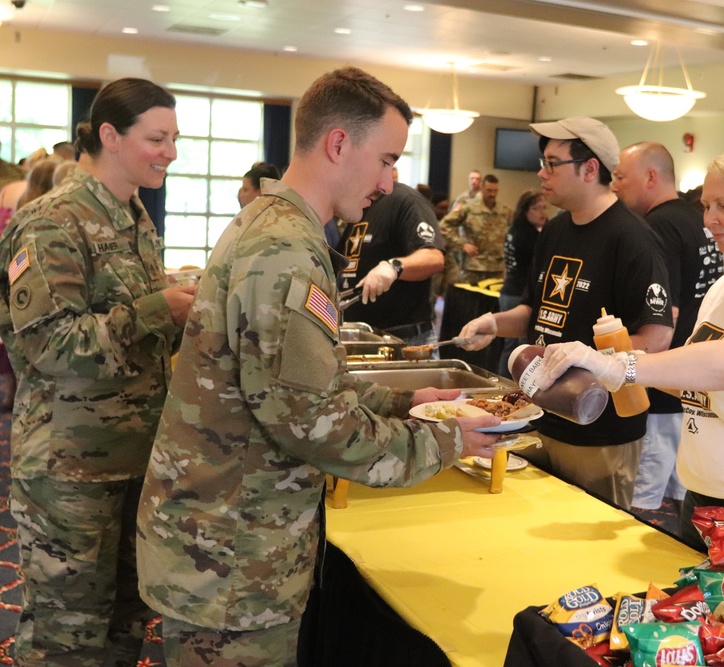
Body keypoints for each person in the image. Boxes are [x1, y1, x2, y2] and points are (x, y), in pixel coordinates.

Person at [135, 67, 499, 666]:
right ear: (337, 144)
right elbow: (313, 424)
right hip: (232, 559)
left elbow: (308, 383)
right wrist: (445, 439)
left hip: (223, 539)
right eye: (385, 160)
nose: (390, 182)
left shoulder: (276, 225)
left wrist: (408, 402)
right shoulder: (285, 251)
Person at [532, 144, 724, 548]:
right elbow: (698, 383)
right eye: (706, 205)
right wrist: (608, 367)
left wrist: (625, 366)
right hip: (707, 499)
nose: (710, 220)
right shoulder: (722, 288)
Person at [0, 77, 197, 667]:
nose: (171, 152)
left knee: (124, 625)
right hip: (69, 472)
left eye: (174, 139)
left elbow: (119, 315)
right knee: (66, 639)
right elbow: (51, 347)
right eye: (157, 138)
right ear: (110, 135)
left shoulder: (131, 212)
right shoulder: (51, 222)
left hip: (131, 459)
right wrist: (163, 306)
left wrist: (174, 298)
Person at [458, 116, 673, 509]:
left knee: (587, 544)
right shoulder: (555, 230)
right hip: (540, 414)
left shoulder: (633, 239)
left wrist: (596, 362)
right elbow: (536, 312)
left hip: (600, 429)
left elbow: (657, 338)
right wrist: (493, 323)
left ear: (590, 169)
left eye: (551, 163)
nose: (541, 173)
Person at [611, 141, 724, 515]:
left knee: (644, 504)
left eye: (621, 176)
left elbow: (665, 318)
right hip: (689, 384)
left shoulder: (657, 226)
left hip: (661, 390)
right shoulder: (696, 220)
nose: (614, 185)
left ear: (650, 177)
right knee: (678, 498)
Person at [336, 181, 445, 345]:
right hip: (363, 334)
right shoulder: (360, 205)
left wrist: (394, 267)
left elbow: (433, 257)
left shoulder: (405, 200)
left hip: (404, 339)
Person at [497, 189, 547, 377]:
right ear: (526, 211)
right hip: (519, 295)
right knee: (520, 349)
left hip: (508, 290)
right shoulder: (529, 236)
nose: (543, 212)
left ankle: (504, 383)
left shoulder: (514, 228)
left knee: (509, 347)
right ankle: (516, 386)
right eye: (537, 208)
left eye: (544, 207)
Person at [440, 173, 512, 284]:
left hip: (496, 267)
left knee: (493, 300)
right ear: (482, 188)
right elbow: (444, 226)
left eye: (495, 191)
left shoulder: (505, 210)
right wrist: (461, 244)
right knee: (470, 300)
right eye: (489, 190)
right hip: (473, 267)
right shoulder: (469, 208)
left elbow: (516, 229)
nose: (492, 194)